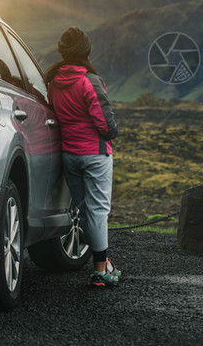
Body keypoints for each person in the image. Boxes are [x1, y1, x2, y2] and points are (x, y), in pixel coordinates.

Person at [46, 27, 121, 287]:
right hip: (95, 155)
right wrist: (113, 133)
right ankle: (101, 271)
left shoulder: (54, 81)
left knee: (87, 212)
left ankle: (105, 262)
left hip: (70, 155)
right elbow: (104, 121)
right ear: (86, 51)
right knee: (98, 211)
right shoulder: (89, 81)